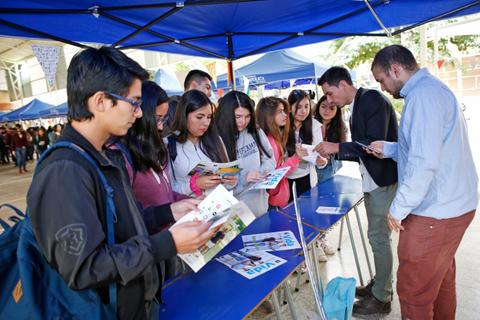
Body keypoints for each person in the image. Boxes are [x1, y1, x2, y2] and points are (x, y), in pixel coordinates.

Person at [27, 46, 220, 320]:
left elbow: (122, 225)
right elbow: (84, 268)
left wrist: (168, 212)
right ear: (101, 101)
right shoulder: (64, 171)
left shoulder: (104, 155)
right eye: (134, 102)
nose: (140, 114)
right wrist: (167, 244)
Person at [368, 44, 478, 320]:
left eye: (382, 79)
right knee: (439, 278)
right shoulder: (431, 90)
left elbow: (424, 162)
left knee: (414, 290)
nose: (382, 87)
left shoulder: (422, 97)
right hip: (453, 205)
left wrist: (398, 208)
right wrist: (391, 148)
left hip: (435, 211)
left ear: (395, 69)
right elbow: (425, 147)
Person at [315, 66, 398, 315]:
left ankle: (382, 296)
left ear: (343, 84)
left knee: (378, 237)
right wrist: (338, 150)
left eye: (330, 93)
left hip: (383, 181)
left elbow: (373, 145)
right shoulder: (358, 104)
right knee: (377, 236)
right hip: (373, 180)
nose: (329, 100)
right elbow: (362, 151)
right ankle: (381, 284)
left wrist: (337, 147)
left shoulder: (370, 98)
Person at [214, 91, 275, 217]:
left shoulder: (255, 131)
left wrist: (263, 172)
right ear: (226, 115)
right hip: (236, 212)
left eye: (247, 116)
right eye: (238, 117)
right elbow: (222, 182)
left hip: (260, 205)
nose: (243, 121)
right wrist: (244, 179)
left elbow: (269, 158)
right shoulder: (218, 141)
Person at [169, 90, 236, 196]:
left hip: (220, 207)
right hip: (190, 209)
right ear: (184, 116)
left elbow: (227, 183)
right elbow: (168, 191)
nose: (206, 123)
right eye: (199, 117)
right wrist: (193, 185)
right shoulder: (169, 145)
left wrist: (231, 181)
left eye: (209, 117)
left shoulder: (216, 140)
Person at [256, 96, 307, 209]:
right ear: (268, 115)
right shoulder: (267, 140)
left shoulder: (273, 136)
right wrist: (296, 158)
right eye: (280, 111)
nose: (285, 115)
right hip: (271, 200)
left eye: (284, 111)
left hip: (277, 198)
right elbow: (273, 175)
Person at [285, 89, 327, 200]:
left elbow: (321, 155)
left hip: (307, 178)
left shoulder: (315, 126)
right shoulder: (283, 126)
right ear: (289, 107)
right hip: (286, 181)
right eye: (299, 107)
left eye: (306, 106)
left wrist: (321, 162)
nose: (303, 111)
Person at [313, 95, 347, 183]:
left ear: (337, 111)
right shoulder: (310, 124)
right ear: (318, 107)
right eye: (323, 106)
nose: (327, 111)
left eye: (332, 108)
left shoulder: (341, 127)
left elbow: (344, 149)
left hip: (333, 168)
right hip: (313, 169)